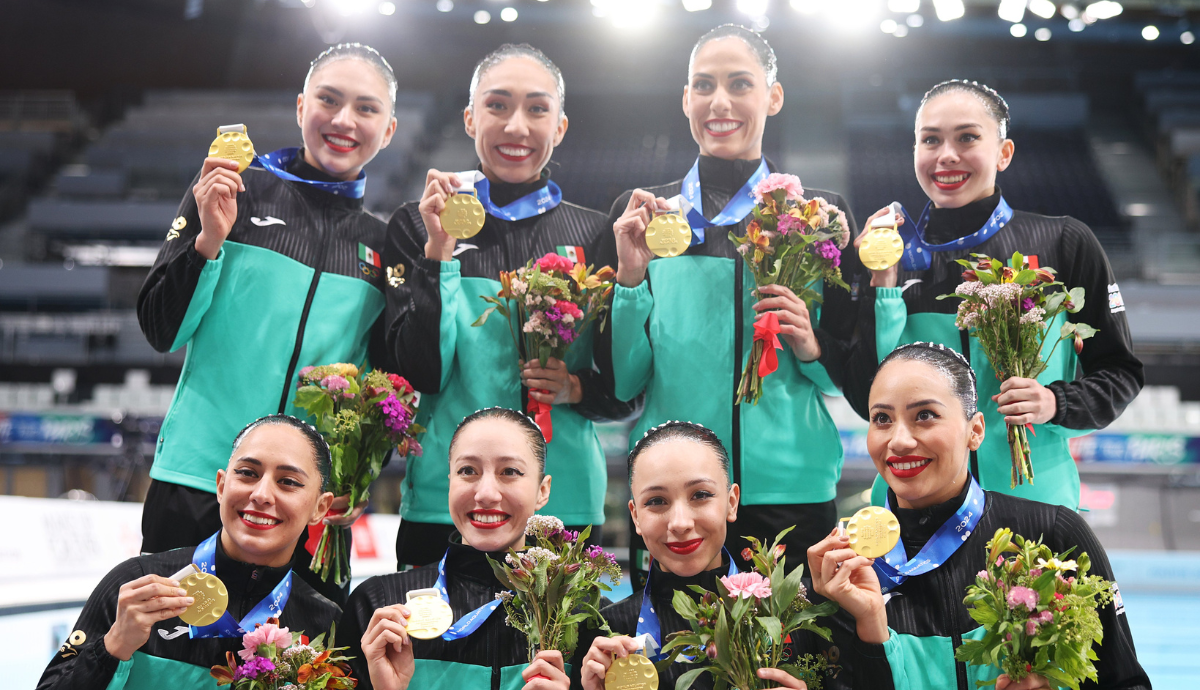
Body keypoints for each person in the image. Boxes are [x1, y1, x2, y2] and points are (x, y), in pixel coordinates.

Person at [592, 25, 864, 585]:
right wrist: (631, 277)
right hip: (679, 498)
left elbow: (848, 381)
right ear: (685, 99)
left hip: (792, 490)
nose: (720, 102)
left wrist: (812, 346)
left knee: (793, 666)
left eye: (740, 84)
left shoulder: (820, 217)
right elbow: (623, 384)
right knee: (679, 668)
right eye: (704, 86)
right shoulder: (644, 216)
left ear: (773, 95)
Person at [137, 43, 400, 604]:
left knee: (298, 681)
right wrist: (209, 239)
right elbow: (161, 328)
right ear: (301, 105)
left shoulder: (383, 245)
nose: (344, 120)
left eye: (366, 108)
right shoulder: (232, 189)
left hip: (305, 503)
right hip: (198, 479)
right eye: (329, 100)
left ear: (390, 128)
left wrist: (354, 477)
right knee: (167, 660)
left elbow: (384, 391)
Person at [810, 342, 1151, 690]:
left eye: (925, 416)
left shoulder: (1053, 535)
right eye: (881, 418)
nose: (899, 440)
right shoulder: (842, 571)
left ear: (975, 431)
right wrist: (870, 632)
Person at [381, 44, 632, 569]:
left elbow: (627, 390)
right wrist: (438, 255)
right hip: (445, 503)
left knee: (553, 653)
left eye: (537, 109)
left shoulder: (594, 234)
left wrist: (576, 387)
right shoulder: (417, 222)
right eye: (497, 106)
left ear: (559, 127)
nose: (516, 126)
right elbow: (419, 373)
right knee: (434, 651)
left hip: (561, 506)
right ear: (471, 118)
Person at [844, 80, 1143, 509]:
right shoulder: (887, 255)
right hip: (915, 511)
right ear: (915, 152)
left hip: (1036, 506)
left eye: (967, 137)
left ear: (1004, 153)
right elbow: (863, 398)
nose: (946, 154)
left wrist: (1054, 403)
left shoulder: (1063, 242)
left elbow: (1120, 373)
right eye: (930, 139)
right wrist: (883, 289)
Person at [22, 415, 340, 690]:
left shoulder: (323, 622)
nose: (261, 494)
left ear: (320, 507)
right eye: (247, 473)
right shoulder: (137, 587)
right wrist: (113, 646)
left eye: (288, 481)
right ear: (221, 486)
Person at [575, 421, 876, 690]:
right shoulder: (609, 633)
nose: (680, 523)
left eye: (700, 495)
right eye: (656, 502)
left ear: (731, 501)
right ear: (635, 516)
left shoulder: (793, 609)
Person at [320, 408, 581, 690]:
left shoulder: (578, 611)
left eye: (510, 472)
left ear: (542, 490)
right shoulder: (380, 604)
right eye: (468, 471)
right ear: (450, 482)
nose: (486, 492)